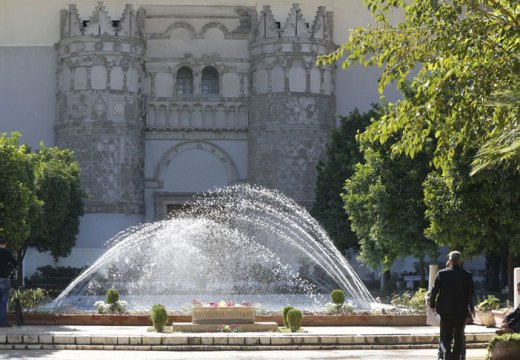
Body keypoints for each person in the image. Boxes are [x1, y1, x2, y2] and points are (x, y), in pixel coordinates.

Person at [429, 251, 475, 360]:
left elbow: (434, 291)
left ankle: (446, 356)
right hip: (461, 311)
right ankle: (455, 357)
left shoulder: (441, 274)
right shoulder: (467, 275)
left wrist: (432, 304)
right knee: (458, 336)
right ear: (460, 261)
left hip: (445, 311)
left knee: (445, 337)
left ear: (449, 262)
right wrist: (472, 308)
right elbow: (470, 294)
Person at [0, 237, 17, 327]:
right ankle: (2, 321)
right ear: (5, 244)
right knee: (4, 300)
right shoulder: (6, 252)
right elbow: (14, 263)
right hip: (4, 278)